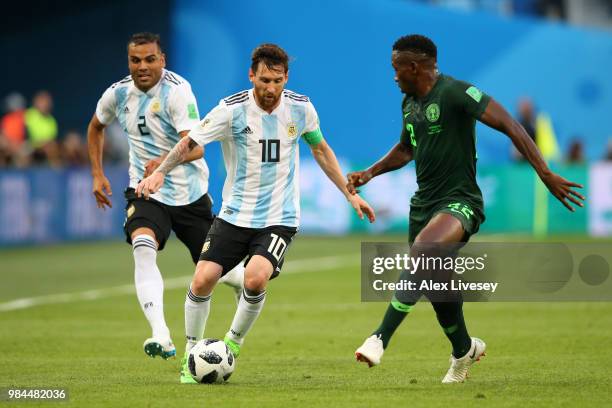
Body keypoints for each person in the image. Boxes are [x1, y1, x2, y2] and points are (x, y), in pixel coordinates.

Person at [347, 34, 584, 383]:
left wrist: (545, 172)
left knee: (424, 253)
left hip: (461, 201)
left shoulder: (457, 92)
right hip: (423, 206)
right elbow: (406, 147)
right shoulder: (409, 103)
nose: (393, 76)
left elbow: (511, 125)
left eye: (397, 69)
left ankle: (380, 336)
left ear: (414, 67)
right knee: (438, 288)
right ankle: (463, 350)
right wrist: (370, 172)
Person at [135, 43, 376, 383]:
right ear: (252, 75)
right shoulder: (230, 110)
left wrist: (350, 195)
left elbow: (321, 149)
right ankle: (192, 352)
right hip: (234, 214)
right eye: (264, 80)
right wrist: (161, 171)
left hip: (279, 217)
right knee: (203, 280)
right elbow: (190, 143)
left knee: (256, 276)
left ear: (286, 77)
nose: (270, 89)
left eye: (277, 81)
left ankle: (232, 343)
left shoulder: (301, 109)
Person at [87, 32, 244, 361]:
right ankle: (161, 333)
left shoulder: (177, 92)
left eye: (149, 59)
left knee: (223, 274)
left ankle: (248, 290)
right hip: (145, 191)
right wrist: (98, 174)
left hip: (190, 197)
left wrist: (164, 163)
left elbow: (197, 146)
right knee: (142, 247)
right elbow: (96, 126)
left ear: (162, 60)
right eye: (135, 60)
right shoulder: (117, 94)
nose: (141, 66)